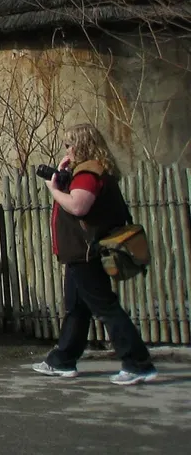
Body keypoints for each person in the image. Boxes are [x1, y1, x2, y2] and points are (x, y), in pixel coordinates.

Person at [33, 123, 157, 385]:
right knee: (77, 308)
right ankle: (62, 360)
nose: (66, 149)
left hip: (86, 252)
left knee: (105, 308)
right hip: (81, 252)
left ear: (81, 145)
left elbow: (78, 206)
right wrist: (64, 176)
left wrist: (54, 190)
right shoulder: (88, 171)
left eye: (69, 144)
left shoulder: (88, 172)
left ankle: (138, 363)